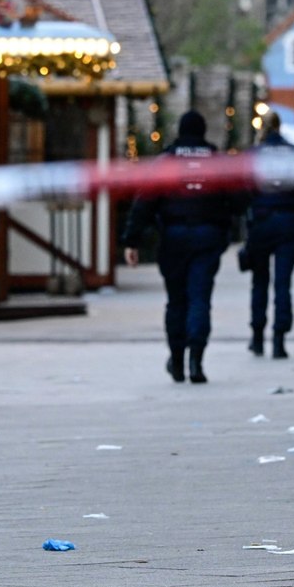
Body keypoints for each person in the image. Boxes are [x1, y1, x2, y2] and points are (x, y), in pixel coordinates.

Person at [122, 110, 238, 384]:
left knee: (176, 301)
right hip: (207, 237)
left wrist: (132, 240)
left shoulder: (166, 162)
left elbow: (144, 203)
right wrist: (224, 227)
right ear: (203, 131)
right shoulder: (217, 162)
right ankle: (196, 361)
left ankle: (176, 360)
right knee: (200, 298)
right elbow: (238, 199)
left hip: (173, 237)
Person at [245, 111, 294, 359]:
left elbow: (242, 187)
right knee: (283, 283)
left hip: (261, 221)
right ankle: (279, 339)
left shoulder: (254, 154)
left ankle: (257, 337)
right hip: (288, 220)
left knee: (259, 281)